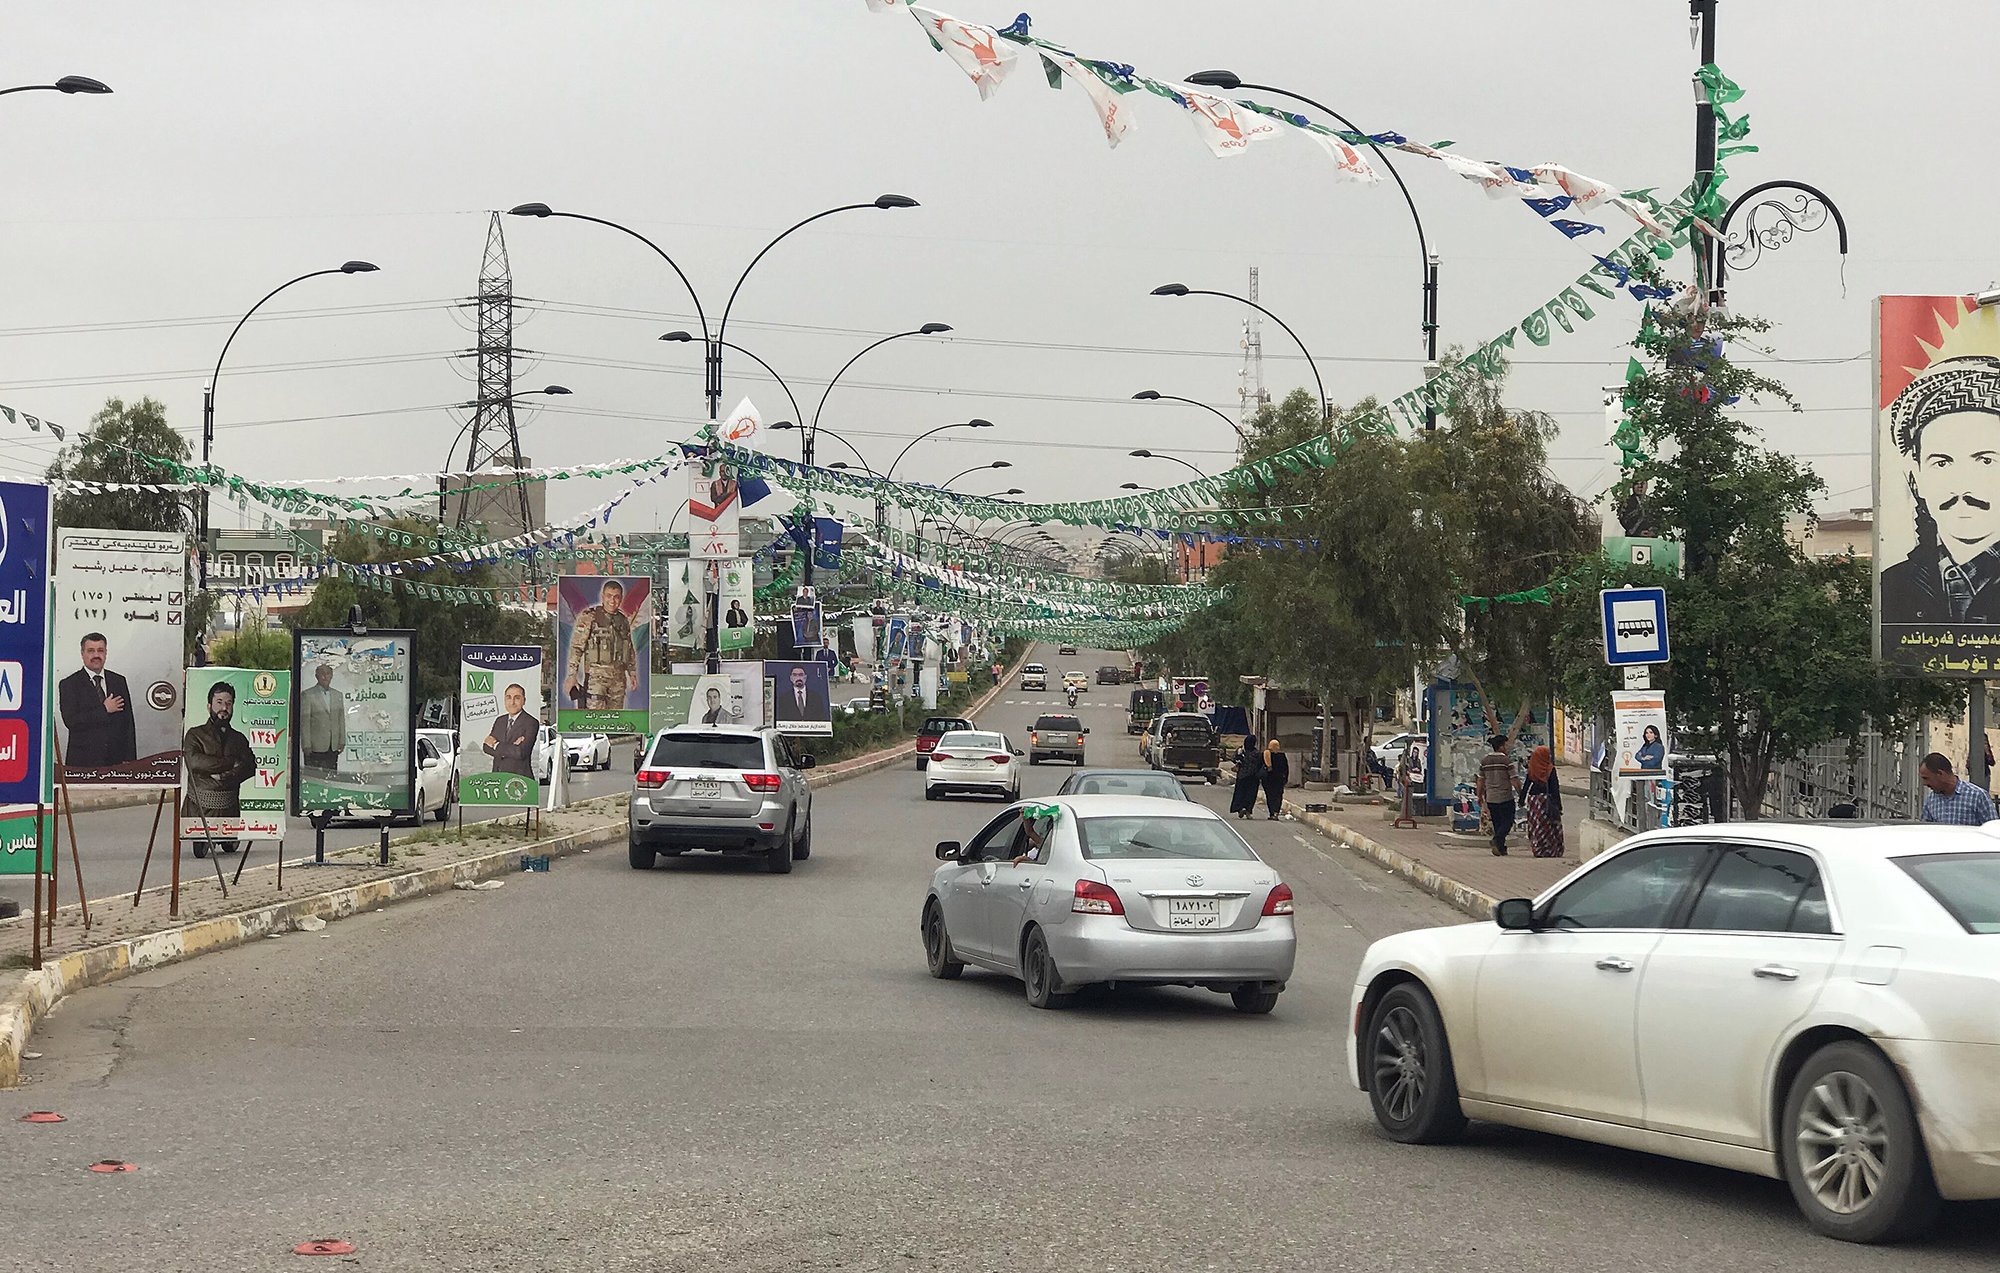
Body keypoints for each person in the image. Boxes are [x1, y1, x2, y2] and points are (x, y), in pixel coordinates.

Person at [1879, 355, 2000, 623]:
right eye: (1942, 462)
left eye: (1985, 460)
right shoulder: (1892, 588)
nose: (1962, 487)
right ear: (1916, 477)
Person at [182, 681, 257, 855]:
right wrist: (231, 762)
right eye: (219, 702)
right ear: (209, 706)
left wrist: (224, 776)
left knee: (229, 841)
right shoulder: (195, 735)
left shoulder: (238, 739)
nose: (224, 707)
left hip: (229, 808)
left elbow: (250, 765)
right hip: (199, 807)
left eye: (228, 703)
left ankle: (227, 838)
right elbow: (194, 762)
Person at [57, 631, 136, 769]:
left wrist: (129, 759)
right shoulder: (69, 684)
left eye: (100, 650)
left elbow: (128, 723)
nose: (96, 655)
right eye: (91, 651)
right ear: (82, 654)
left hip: (116, 762)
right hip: (83, 763)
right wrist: (104, 710)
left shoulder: (119, 681)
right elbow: (71, 721)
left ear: (106, 653)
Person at [565, 579, 638, 710]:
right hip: (596, 679)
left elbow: (629, 648)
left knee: (615, 721)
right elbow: (577, 647)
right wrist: (572, 676)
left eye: (616, 597)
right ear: (602, 596)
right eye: (609, 596)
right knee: (596, 720)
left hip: (618, 680)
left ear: (621, 599)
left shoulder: (623, 621)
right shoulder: (590, 616)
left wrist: (632, 673)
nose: (612, 600)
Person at [1917, 752, 1997, 825]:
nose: (1925, 783)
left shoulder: (1977, 796)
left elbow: (1992, 830)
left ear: (1940, 773)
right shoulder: (1931, 800)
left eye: (1926, 778)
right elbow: (1926, 830)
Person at [482, 682, 539, 779]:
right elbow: (486, 747)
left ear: (524, 701)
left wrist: (496, 745)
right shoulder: (500, 721)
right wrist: (512, 748)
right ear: (504, 700)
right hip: (497, 778)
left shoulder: (531, 722)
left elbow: (521, 752)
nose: (512, 702)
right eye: (508, 697)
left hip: (520, 779)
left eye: (517, 698)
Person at [298, 662, 347, 773]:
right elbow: (305, 721)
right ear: (316, 676)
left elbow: (341, 719)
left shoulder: (337, 695)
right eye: (322, 674)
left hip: (333, 745)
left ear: (332, 676)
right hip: (315, 746)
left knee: (331, 777)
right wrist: (306, 744)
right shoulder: (308, 695)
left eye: (328, 673)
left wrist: (342, 740)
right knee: (314, 776)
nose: (325, 676)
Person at [1521, 745, 1565, 859]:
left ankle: (1538, 849)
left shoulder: (1532, 767)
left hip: (1533, 801)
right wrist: (1558, 806)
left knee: (1536, 826)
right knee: (1550, 826)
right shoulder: (1550, 769)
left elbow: (1526, 785)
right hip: (1546, 800)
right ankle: (1551, 850)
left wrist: (1521, 800)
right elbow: (1555, 788)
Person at [1481, 735, 1518, 856]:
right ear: (1501, 746)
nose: (1507, 747)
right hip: (1505, 796)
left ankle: (1501, 848)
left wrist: (1479, 795)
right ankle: (1497, 839)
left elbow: (1480, 780)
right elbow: (1514, 779)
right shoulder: (1506, 760)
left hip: (1491, 797)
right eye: (1506, 745)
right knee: (1508, 820)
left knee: (1497, 823)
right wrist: (1520, 793)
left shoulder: (1485, 760)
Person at [1229, 734, 1264, 819]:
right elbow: (1260, 764)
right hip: (1253, 778)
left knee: (1240, 794)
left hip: (1242, 777)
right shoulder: (1257, 753)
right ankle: (1248, 811)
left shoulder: (1241, 751)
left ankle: (1240, 809)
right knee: (1251, 795)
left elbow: (1233, 759)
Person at [1260, 738, 1289, 820]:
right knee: (1278, 796)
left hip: (1268, 780)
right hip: (1279, 780)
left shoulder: (1266, 754)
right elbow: (1286, 768)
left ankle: (1272, 812)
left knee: (1270, 796)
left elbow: (1261, 766)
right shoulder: (1282, 756)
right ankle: (1276, 812)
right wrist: (1285, 778)